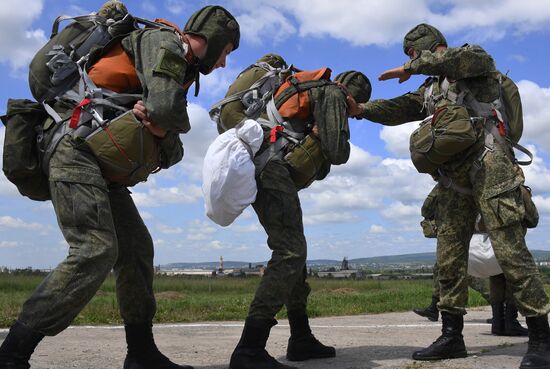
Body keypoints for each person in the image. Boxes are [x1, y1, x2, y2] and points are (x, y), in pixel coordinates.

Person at [0, 2, 239, 369]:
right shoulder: (165, 43)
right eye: (225, 52)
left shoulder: (181, 69)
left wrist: (160, 127)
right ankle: (12, 354)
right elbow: (162, 111)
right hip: (74, 147)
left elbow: (172, 149)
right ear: (213, 37)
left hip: (100, 165)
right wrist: (158, 122)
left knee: (137, 249)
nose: (223, 63)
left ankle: (140, 353)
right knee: (95, 248)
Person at [347, 23, 550, 368]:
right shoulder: (430, 90)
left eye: (414, 53)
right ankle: (451, 335)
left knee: (512, 255)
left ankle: (542, 339)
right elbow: (399, 108)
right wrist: (362, 110)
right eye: (410, 57)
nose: (412, 60)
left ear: (432, 47)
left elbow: (461, 58)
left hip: (492, 168)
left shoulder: (473, 63)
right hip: (453, 182)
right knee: (449, 258)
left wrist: (413, 65)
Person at [214, 56, 371, 369]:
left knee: (294, 254)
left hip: (263, 164)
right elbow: (338, 153)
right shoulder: (333, 95)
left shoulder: (311, 88)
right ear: (353, 97)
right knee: (290, 252)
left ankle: (300, 338)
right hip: (271, 168)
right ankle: (249, 349)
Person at [415, 186, 528, 337]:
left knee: (447, 270)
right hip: (499, 246)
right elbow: (532, 218)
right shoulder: (508, 183)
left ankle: (452, 329)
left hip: (466, 246)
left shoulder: (453, 180)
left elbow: (427, 208)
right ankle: (508, 321)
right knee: (511, 274)